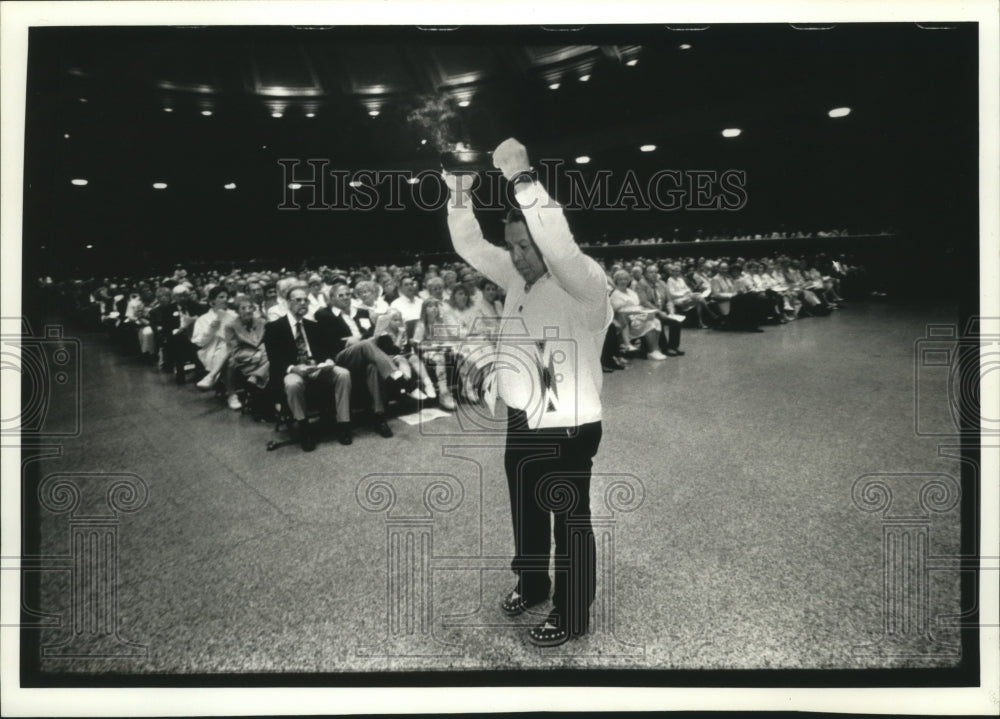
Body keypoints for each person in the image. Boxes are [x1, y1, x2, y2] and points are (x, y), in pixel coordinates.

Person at [445, 137, 612, 647]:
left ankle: (572, 612)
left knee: (571, 522)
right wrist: (458, 195)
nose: (516, 257)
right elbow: (471, 247)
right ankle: (533, 582)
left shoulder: (583, 282)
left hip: (568, 424)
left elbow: (559, 245)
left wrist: (521, 179)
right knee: (527, 507)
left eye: (525, 246)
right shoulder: (520, 277)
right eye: (513, 246)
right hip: (522, 417)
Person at [263, 286, 353, 450]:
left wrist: (328, 361)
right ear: (288, 303)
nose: (303, 303)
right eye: (298, 300)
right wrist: (294, 368)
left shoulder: (313, 325)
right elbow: (274, 359)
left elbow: (326, 351)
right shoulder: (274, 327)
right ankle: (304, 428)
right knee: (292, 383)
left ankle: (343, 423)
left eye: (306, 300)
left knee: (343, 374)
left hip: (315, 367)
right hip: (293, 369)